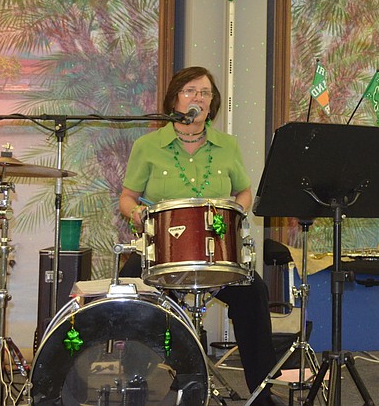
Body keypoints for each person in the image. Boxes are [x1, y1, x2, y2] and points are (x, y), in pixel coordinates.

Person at [118, 66, 282, 406]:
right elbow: (127, 197)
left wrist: (235, 215)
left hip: (218, 254)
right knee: (129, 287)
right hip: (162, 251)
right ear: (175, 98)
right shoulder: (148, 146)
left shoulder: (227, 146)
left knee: (254, 293)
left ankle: (262, 394)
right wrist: (138, 214)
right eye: (190, 91)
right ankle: (136, 390)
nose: (199, 98)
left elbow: (245, 192)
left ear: (212, 103)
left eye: (205, 93)